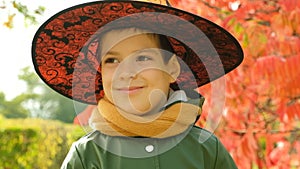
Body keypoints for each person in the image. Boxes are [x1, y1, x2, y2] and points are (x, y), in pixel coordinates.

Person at [32, 0, 243, 168]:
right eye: (112, 60)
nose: (126, 73)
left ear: (172, 69)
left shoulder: (205, 149)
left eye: (143, 58)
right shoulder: (88, 154)